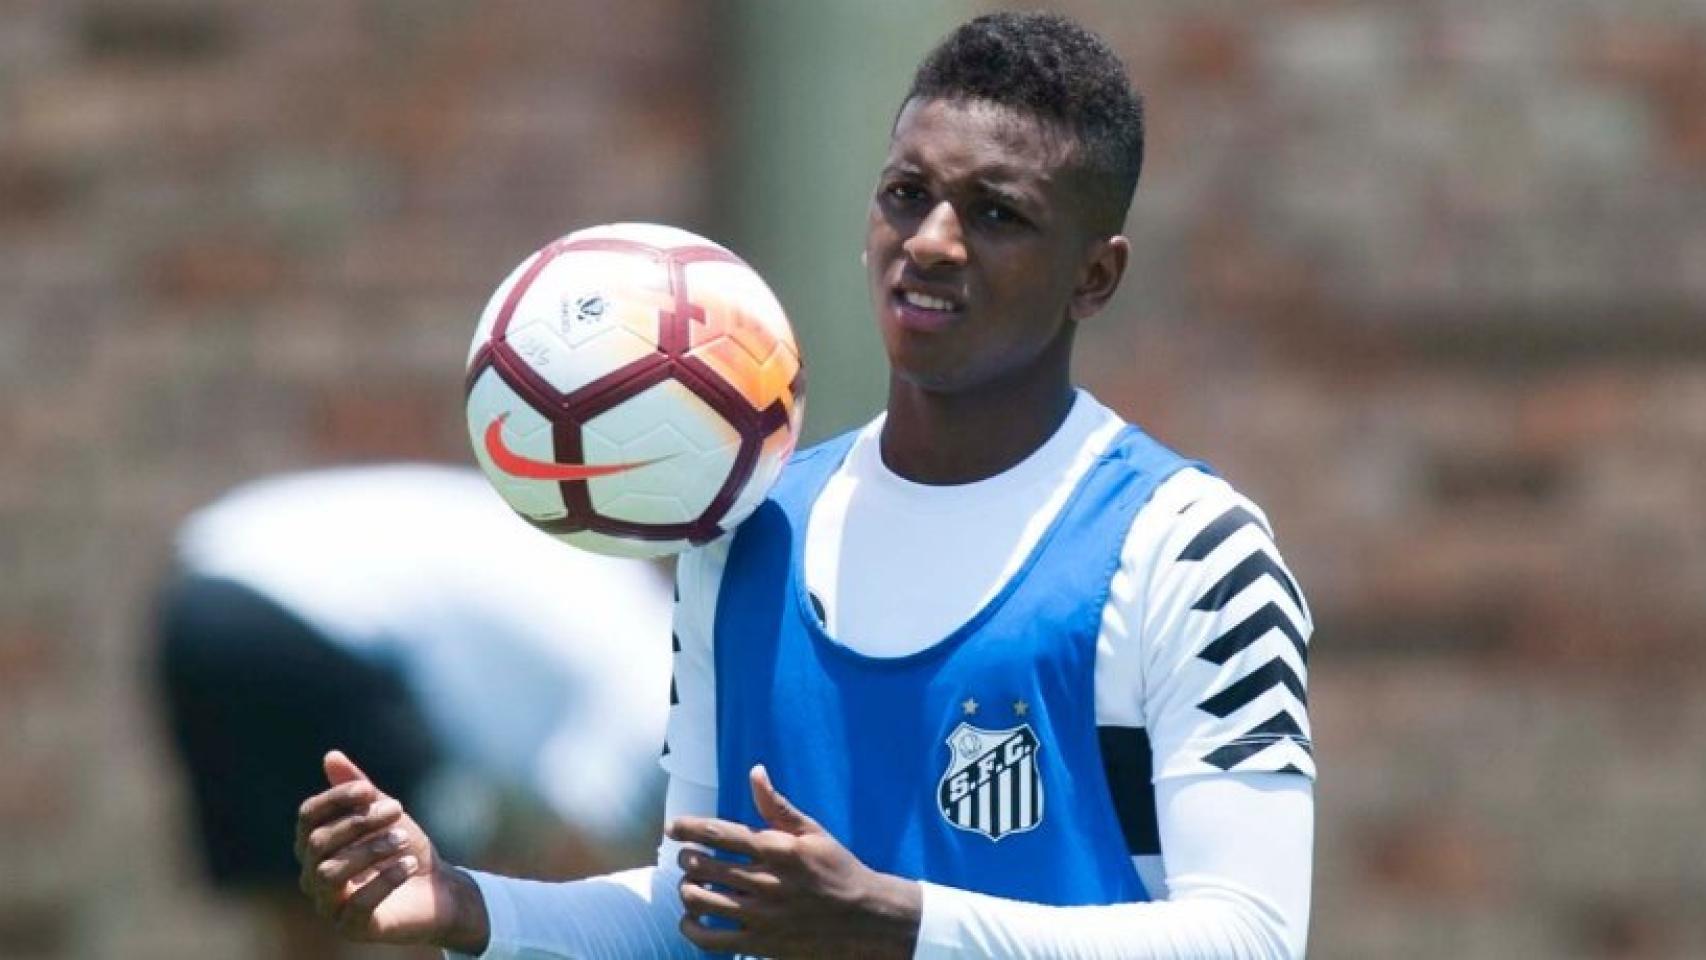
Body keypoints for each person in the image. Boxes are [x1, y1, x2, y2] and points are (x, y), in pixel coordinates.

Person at [295, 12, 1316, 959]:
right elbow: (686, 912)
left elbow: (1250, 937)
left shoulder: (1188, 548)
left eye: (996, 214)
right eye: (905, 195)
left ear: (1094, 276)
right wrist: (471, 904)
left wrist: (894, 920)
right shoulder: (742, 532)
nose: (929, 243)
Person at [154, 464, 673, 959]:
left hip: (202, 598)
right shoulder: (649, 671)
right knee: (428, 896)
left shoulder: (616, 586)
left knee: (299, 899)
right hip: (320, 623)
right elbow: (575, 849)